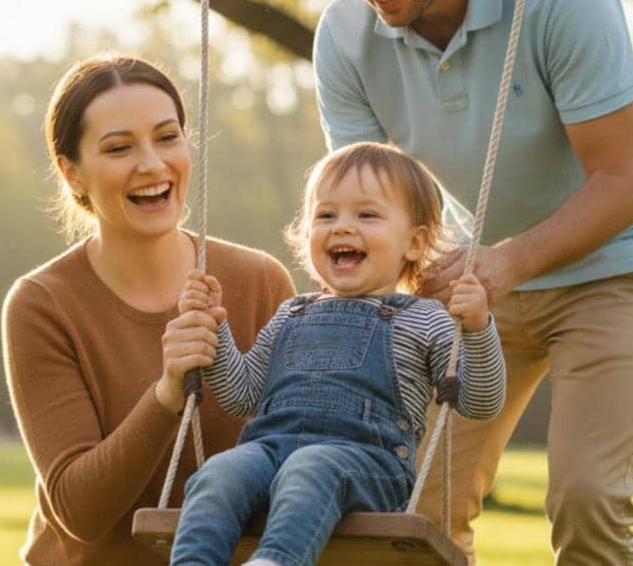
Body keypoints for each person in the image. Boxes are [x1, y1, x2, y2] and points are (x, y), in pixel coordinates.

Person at [304, 0, 633, 563]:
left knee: (584, 496)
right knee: (414, 500)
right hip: (479, 275)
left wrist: (506, 263)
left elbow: (621, 184)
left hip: (617, 260)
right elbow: (375, 207)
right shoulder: (344, 37)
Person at [2, 55, 296, 565]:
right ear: (72, 174)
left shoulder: (260, 281)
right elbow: (79, 510)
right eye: (118, 148)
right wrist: (165, 395)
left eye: (167, 137)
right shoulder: (42, 305)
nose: (153, 164)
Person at [169, 142, 506, 566]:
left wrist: (477, 330)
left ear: (415, 243)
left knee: (311, 466)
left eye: (366, 215)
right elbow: (241, 394)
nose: (342, 227)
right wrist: (214, 328)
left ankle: (275, 561)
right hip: (269, 452)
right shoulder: (292, 313)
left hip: (368, 465)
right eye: (326, 215)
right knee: (218, 473)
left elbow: (481, 402)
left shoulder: (426, 319)